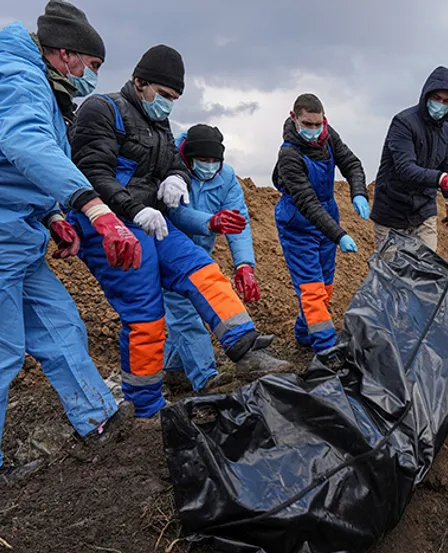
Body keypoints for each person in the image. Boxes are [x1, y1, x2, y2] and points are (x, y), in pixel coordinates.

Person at [68, 44, 290, 419]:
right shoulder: (101, 110)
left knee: (202, 270)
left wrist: (175, 176)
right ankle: (147, 408)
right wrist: (134, 210)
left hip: (152, 221)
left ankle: (246, 349)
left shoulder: (159, 126)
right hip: (110, 224)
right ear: (139, 83)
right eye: (165, 95)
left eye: (175, 98)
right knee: (146, 316)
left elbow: (174, 162)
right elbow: (92, 172)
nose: (169, 104)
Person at [0, 1, 142, 481]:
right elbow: (25, 144)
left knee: (61, 326)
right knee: (3, 352)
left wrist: (55, 214)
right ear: (65, 54)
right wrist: (91, 207)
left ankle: (98, 419)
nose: (92, 76)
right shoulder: (18, 77)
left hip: (19, 237)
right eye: (92, 66)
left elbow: (24, 170)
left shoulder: (44, 88)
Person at [164, 124, 259, 392]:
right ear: (188, 156)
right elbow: (174, 212)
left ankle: (173, 370)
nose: (208, 166)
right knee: (185, 315)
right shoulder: (172, 170)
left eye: (214, 161)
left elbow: (239, 221)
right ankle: (206, 379)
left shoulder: (226, 177)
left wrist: (244, 265)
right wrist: (211, 222)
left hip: (199, 255)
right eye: (202, 160)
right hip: (169, 252)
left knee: (186, 310)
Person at [272, 93, 369, 355]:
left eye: (318, 124)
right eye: (308, 124)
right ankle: (327, 351)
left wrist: (358, 191)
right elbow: (306, 201)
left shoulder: (328, 136)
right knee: (311, 289)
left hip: (327, 215)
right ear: (294, 119)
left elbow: (351, 163)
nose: (314, 131)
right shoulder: (289, 155)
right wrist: (339, 235)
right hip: (298, 224)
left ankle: (304, 333)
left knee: (325, 284)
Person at [371, 66, 448, 252]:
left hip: (424, 209)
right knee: (391, 275)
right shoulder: (403, 123)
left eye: (446, 101)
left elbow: (445, 164)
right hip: (392, 210)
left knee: (427, 271)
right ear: (426, 96)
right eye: (436, 98)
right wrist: (442, 179)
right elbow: (405, 168)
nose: (440, 104)